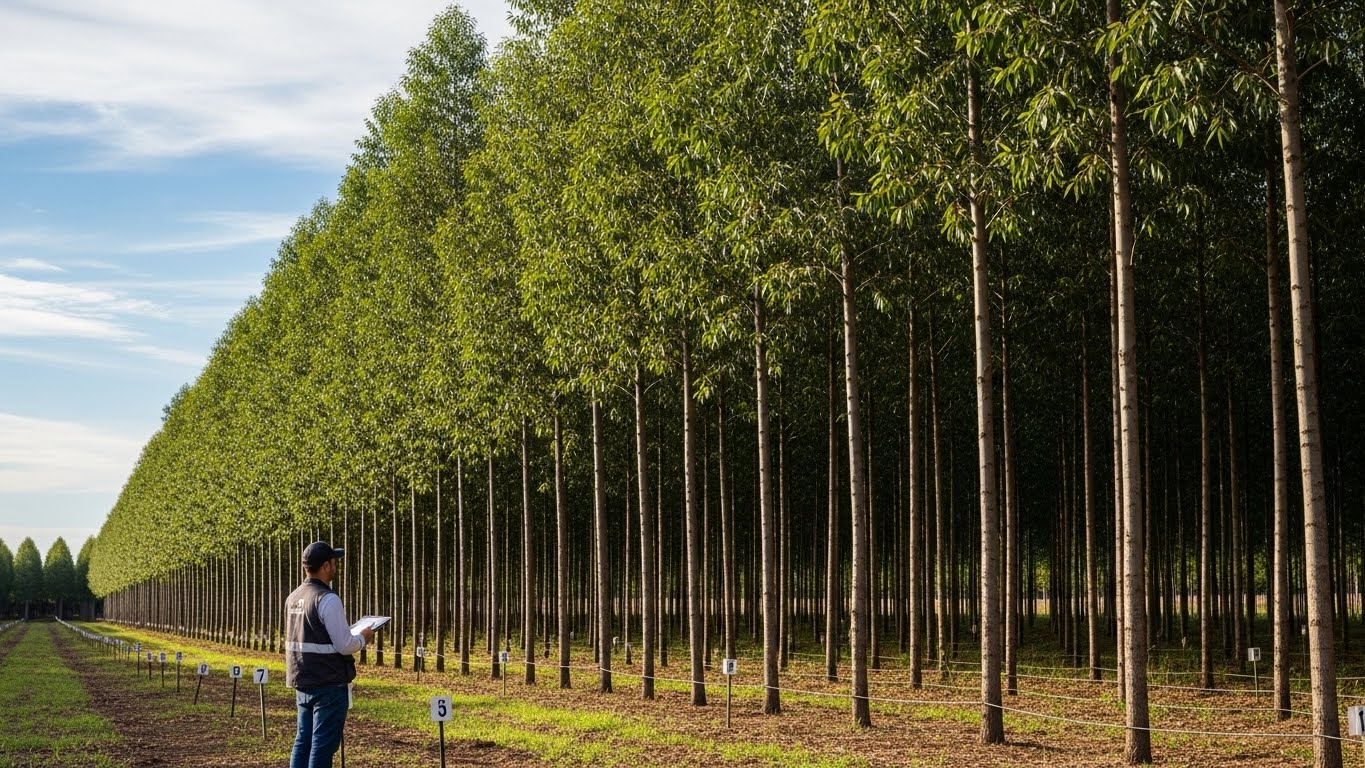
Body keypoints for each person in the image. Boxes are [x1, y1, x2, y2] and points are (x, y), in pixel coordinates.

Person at [286, 541, 374, 768]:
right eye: (334, 561)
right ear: (325, 566)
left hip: (303, 679)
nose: (336, 566)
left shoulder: (293, 598)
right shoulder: (327, 599)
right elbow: (345, 645)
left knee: (303, 741)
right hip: (328, 683)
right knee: (322, 746)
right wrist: (363, 636)